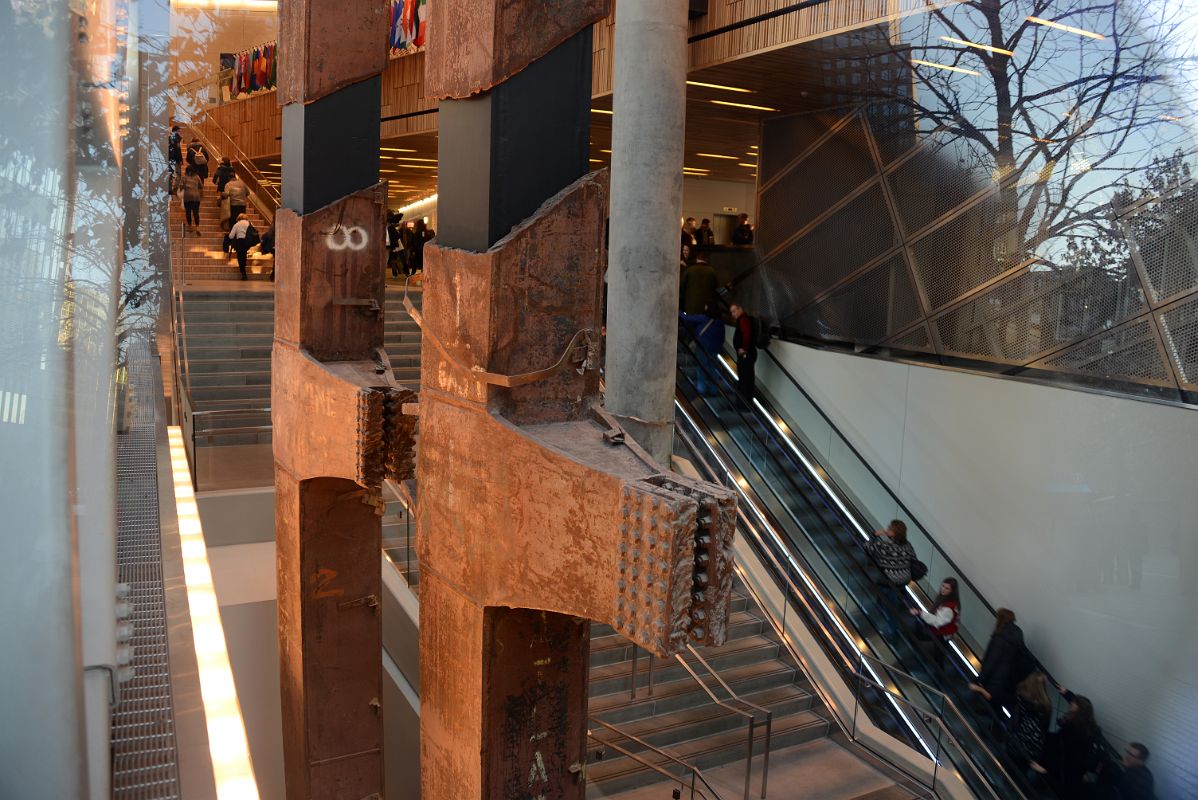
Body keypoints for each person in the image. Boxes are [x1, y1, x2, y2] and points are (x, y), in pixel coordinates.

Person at [1035, 689, 1106, 799]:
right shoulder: (1093, 729)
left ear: (1078, 708)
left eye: (1073, 703)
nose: (1071, 704)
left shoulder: (1072, 726)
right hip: (1079, 771)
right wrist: (1067, 694)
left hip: (1065, 767)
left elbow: (1058, 744)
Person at [969, 608, 1028, 714]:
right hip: (1008, 680)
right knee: (996, 705)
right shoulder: (1018, 634)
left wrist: (980, 679)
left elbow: (991, 661)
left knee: (988, 704)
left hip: (995, 678)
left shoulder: (1000, 637)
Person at [864, 520, 916, 634]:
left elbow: (867, 547)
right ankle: (883, 606)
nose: (886, 529)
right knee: (889, 598)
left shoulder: (885, 546)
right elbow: (913, 559)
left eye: (889, 528)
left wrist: (875, 535)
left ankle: (892, 631)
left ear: (893, 533)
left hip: (889, 582)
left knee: (891, 608)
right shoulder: (908, 546)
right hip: (904, 581)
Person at [1006, 672, 1052, 775]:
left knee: (1009, 768)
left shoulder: (1021, 696)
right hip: (1034, 747)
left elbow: (1016, 718)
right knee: (1021, 773)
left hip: (1017, 740)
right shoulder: (1046, 705)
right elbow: (1045, 727)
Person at [910, 577, 960, 668]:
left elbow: (938, 621)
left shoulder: (949, 607)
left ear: (952, 591)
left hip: (943, 634)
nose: (943, 589)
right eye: (943, 586)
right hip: (942, 632)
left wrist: (921, 613)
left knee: (939, 657)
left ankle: (939, 675)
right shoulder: (946, 600)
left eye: (947, 588)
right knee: (938, 654)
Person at [679, 307, 724, 395]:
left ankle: (701, 389)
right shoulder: (720, 323)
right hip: (714, 351)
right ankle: (713, 390)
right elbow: (722, 338)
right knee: (712, 370)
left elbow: (687, 318)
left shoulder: (703, 318)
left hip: (702, 348)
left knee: (701, 368)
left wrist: (678, 311)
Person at [730, 303, 757, 400]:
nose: (733, 314)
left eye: (734, 310)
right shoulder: (745, 319)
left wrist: (744, 349)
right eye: (731, 312)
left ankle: (743, 403)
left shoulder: (743, 320)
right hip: (748, 354)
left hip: (746, 355)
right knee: (747, 378)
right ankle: (746, 401)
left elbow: (747, 334)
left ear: (740, 308)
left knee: (745, 379)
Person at [227, 213, 257, 280]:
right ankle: (244, 269)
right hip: (247, 242)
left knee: (240, 257)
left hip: (240, 242)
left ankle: (243, 273)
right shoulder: (249, 223)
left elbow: (231, 236)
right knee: (244, 255)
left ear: (238, 218)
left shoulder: (237, 224)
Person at [179, 166, 203, 235]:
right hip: (196, 198)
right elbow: (201, 186)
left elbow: (181, 186)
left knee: (188, 212)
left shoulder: (184, 177)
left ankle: (190, 226)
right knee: (196, 213)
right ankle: (197, 227)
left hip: (187, 198)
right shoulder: (197, 177)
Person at [168, 125, 183, 191]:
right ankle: (175, 189)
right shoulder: (175, 138)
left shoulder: (171, 138)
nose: (180, 132)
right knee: (178, 174)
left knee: (171, 174)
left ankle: (170, 188)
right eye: (179, 131)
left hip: (171, 159)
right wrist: (180, 159)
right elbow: (177, 150)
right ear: (176, 131)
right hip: (175, 159)